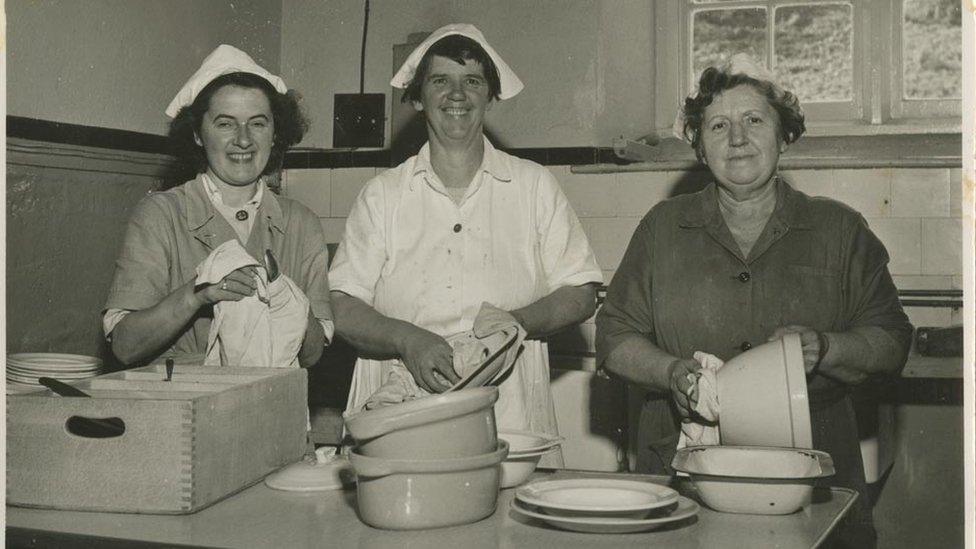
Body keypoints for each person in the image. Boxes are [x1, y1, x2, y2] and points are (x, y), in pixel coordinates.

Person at [595, 54, 911, 547]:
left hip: (812, 468)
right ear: (700, 146)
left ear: (784, 134)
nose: (737, 138)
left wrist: (825, 348)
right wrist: (671, 372)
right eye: (718, 125)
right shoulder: (661, 229)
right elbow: (614, 335)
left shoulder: (840, 230)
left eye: (754, 120)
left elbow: (891, 341)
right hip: (683, 470)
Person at [329, 24, 602, 465]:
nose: (457, 94)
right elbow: (343, 307)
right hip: (398, 407)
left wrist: (514, 324)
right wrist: (406, 339)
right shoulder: (382, 194)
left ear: (489, 96)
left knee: (509, 527)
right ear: (418, 98)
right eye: (440, 81)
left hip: (507, 405)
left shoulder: (532, 185)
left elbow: (581, 292)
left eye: (472, 81)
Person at [104, 45, 332, 368]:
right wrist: (196, 295)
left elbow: (312, 355)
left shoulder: (301, 224)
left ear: (275, 132)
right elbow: (125, 347)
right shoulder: (160, 215)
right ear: (198, 133)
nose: (243, 140)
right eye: (225, 124)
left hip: (274, 404)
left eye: (257, 123)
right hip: (182, 405)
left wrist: (289, 301)